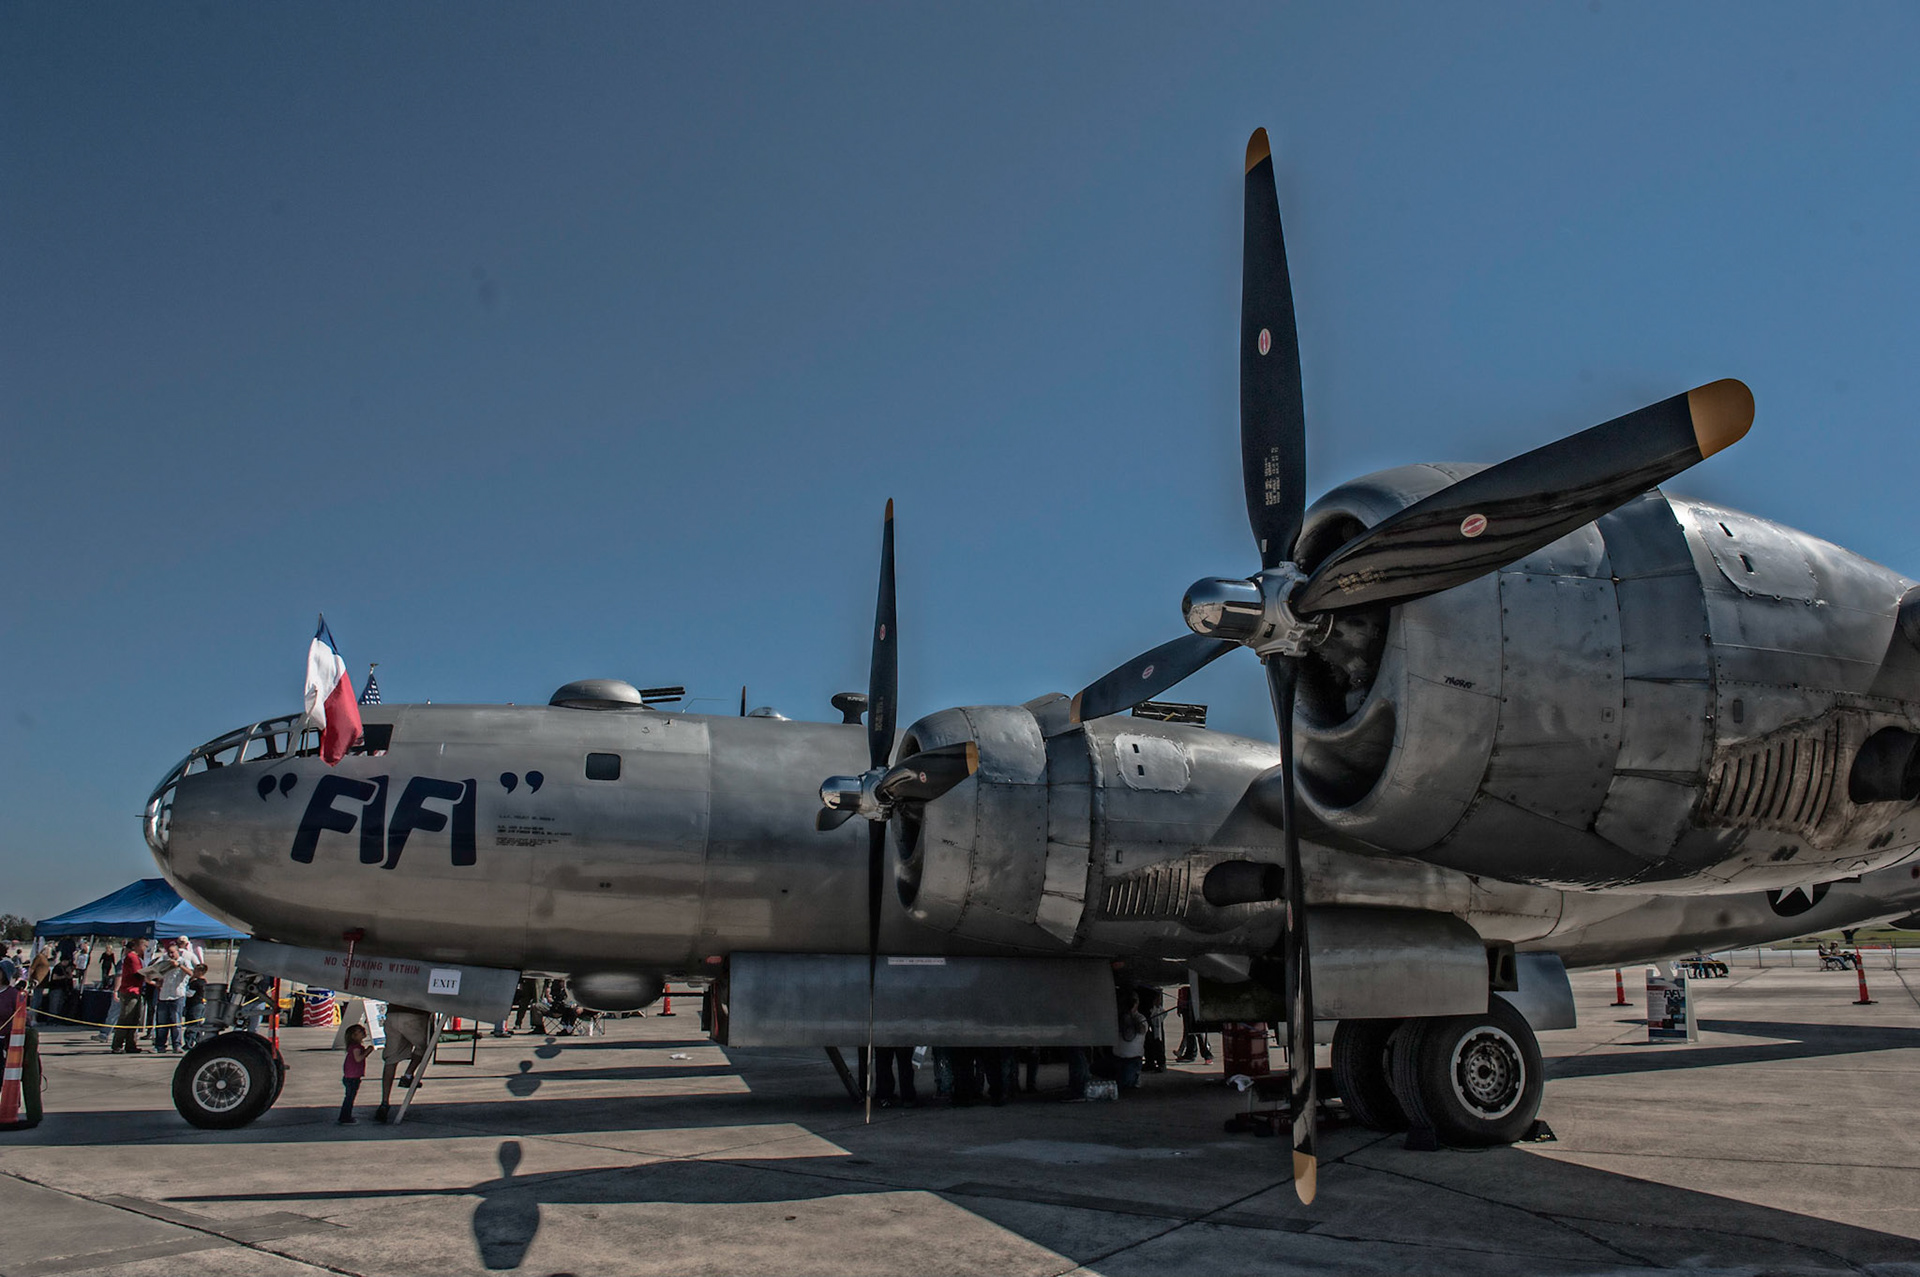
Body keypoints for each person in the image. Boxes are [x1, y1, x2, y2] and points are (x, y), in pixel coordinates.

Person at [373, 1004, 433, 1123]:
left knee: (391, 1059)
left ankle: (384, 1102)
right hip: (415, 1013)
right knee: (426, 1046)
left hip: (392, 1013)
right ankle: (408, 1074)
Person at [151, 940, 191, 1053]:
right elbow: (155, 973)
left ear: (178, 952)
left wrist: (179, 965)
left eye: (173, 952)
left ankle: (177, 1045)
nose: (171, 955)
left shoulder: (184, 961)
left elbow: (191, 973)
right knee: (162, 1022)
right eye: (169, 952)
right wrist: (155, 981)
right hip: (164, 995)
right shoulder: (164, 961)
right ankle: (160, 1045)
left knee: (176, 1022)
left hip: (177, 995)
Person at [111, 940, 149, 1053]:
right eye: (144, 946)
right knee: (126, 1018)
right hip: (130, 991)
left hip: (136, 990)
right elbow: (137, 974)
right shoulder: (132, 957)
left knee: (134, 1019)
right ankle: (117, 1045)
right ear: (136, 946)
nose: (145, 948)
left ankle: (130, 1044)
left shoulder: (137, 958)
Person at [1114, 991, 1147, 1091]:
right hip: (1117, 1058)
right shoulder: (1119, 1017)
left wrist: (1132, 1015)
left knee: (1125, 1084)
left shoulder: (1140, 1018)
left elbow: (1142, 1029)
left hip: (1132, 1060)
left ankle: (1134, 1077)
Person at [340, 1023, 372, 1124]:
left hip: (351, 1076)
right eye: (360, 1031)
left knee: (349, 1097)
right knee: (349, 1098)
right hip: (353, 1077)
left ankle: (345, 1116)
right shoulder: (356, 1047)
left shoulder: (353, 1047)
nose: (363, 1032)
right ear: (353, 1035)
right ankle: (345, 1117)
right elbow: (358, 1058)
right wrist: (368, 1051)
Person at [1174, 985, 1214, 1064]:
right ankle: (1190, 1054)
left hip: (1194, 1003)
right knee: (1189, 1031)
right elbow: (1181, 990)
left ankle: (1207, 1055)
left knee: (1199, 1031)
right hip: (1186, 1003)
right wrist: (1180, 1004)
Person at [182, 963, 209, 1049]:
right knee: (198, 1025)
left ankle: (189, 1043)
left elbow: (190, 994)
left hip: (194, 1005)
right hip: (201, 1004)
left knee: (192, 1025)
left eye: (196, 971)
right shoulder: (205, 982)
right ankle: (198, 1042)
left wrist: (182, 991)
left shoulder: (196, 983)